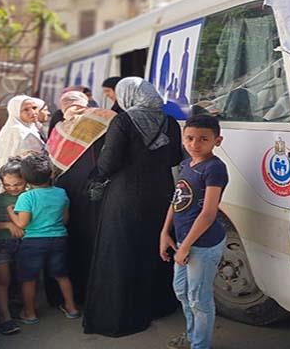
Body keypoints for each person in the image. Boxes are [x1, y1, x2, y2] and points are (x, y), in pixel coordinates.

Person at [84, 77, 182, 336]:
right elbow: (174, 158)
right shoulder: (170, 122)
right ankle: (158, 306)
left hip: (126, 195)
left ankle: (123, 313)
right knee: (156, 246)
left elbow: (108, 163)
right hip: (161, 193)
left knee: (122, 250)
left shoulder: (123, 121)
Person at [160, 115, 228, 349]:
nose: (194, 144)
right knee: (182, 291)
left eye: (203, 139)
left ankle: (200, 345)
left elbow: (208, 213)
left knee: (199, 298)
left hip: (203, 244)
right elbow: (177, 200)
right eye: (189, 138)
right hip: (183, 241)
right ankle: (192, 337)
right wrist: (165, 232)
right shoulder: (186, 164)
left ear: (217, 141)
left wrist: (186, 247)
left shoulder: (214, 168)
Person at [46, 96, 114, 303]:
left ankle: (66, 296)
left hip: (65, 192)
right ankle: (93, 291)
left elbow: (51, 164)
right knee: (93, 240)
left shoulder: (59, 129)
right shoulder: (104, 118)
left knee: (69, 240)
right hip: (94, 191)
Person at [7, 153, 80, 323]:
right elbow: (65, 219)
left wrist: (11, 212)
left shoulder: (26, 197)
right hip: (59, 239)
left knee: (29, 279)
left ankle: (29, 313)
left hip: (33, 242)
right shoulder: (61, 193)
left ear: (24, 178)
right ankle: (71, 308)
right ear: (51, 173)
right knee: (62, 275)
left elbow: (22, 224)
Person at [0, 158, 27, 336]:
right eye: (7, 185)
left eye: (17, 184)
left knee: (23, 278)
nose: (12, 188)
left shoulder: (29, 197)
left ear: (26, 180)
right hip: (1, 244)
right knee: (3, 280)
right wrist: (7, 225)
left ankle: (20, 308)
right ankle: (4, 317)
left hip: (24, 244)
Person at [0, 95, 45, 168]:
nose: (33, 112)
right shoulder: (17, 131)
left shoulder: (32, 127)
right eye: (26, 110)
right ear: (16, 112)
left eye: (34, 108)